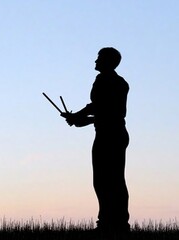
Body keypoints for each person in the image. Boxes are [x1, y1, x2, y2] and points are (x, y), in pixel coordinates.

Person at [62, 47, 130, 233]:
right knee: (114, 179)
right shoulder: (120, 82)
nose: (95, 61)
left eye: (99, 58)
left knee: (104, 180)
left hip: (109, 135)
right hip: (114, 133)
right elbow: (106, 113)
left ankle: (109, 224)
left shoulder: (105, 81)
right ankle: (117, 223)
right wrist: (79, 120)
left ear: (108, 61)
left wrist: (77, 117)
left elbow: (98, 107)